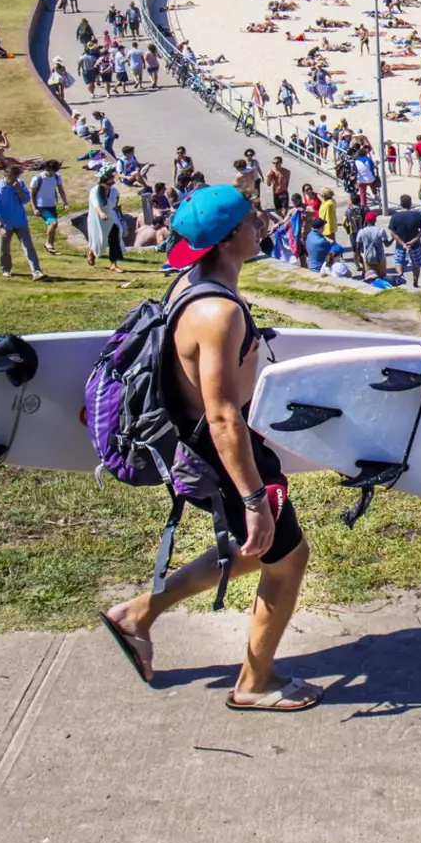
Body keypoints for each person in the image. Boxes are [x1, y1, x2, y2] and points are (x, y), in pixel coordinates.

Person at [99, 186, 320, 712]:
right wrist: (251, 498)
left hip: (217, 446)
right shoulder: (218, 313)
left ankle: (136, 615)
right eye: (251, 219)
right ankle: (255, 682)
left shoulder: (193, 284)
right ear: (227, 240)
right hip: (223, 454)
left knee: (257, 551)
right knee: (285, 560)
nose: (260, 223)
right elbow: (221, 414)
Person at [0, 164, 46, 281]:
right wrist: (0, 226)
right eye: (13, 177)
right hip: (5, 223)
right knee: (4, 248)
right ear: (6, 175)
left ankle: (36, 271)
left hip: (20, 221)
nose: (15, 179)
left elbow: (25, 200)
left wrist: (19, 189)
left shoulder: (19, 183)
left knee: (28, 247)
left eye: (17, 176)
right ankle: (6, 269)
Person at [86, 166, 127, 273]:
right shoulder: (95, 191)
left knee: (115, 237)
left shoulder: (114, 191)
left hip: (111, 218)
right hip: (98, 219)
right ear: (102, 183)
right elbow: (96, 204)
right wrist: (101, 213)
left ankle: (114, 264)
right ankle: (91, 251)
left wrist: (116, 209)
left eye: (112, 183)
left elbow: (115, 201)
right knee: (98, 240)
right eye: (109, 184)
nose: (111, 186)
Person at [388, 193, 421, 287]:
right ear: (410, 203)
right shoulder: (417, 215)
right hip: (415, 245)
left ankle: (401, 277)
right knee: (416, 264)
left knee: (398, 262)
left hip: (400, 246)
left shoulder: (395, 217)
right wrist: (414, 240)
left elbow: (392, 233)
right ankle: (415, 281)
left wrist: (402, 243)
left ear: (401, 204)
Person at [30, 158, 68, 255]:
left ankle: (50, 244)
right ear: (47, 169)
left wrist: (65, 202)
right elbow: (32, 195)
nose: (54, 173)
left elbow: (61, 190)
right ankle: (49, 244)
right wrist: (34, 208)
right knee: (53, 224)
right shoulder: (37, 179)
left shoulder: (56, 177)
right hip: (41, 206)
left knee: (52, 226)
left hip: (52, 205)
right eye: (53, 171)